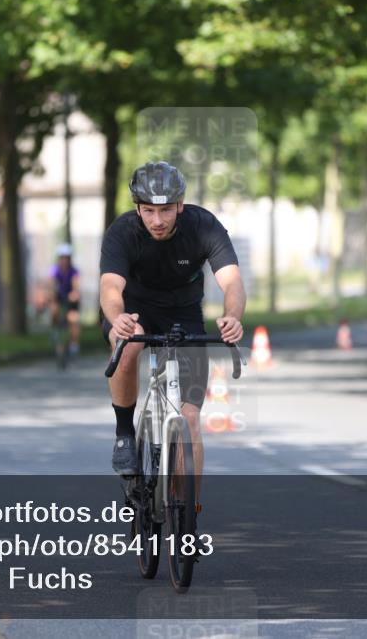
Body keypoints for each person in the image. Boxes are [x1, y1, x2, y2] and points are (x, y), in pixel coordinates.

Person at [100, 161, 245, 498]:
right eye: (148, 211)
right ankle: (124, 433)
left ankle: (188, 516)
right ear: (138, 207)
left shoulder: (204, 227)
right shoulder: (122, 232)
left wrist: (233, 316)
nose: (157, 220)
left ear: (180, 205)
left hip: (184, 314)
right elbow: (110, 286)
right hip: (134, 311)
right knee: (128, 342)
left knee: (191, 420)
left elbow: (233, 280)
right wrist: (118, 317)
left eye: (165, 210)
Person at [48, 243, 81, 356]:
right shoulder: (54, 270)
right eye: (62, 257)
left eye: (67, 258)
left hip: (70, 298)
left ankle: (74, 344)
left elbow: (76, 285)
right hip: (59, 296)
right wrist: (52, 293)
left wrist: (75, 293)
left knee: (74, 319)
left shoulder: (74, 271)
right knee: (54, 310)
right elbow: (52, 284)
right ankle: (55, 330)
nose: (64, 260)